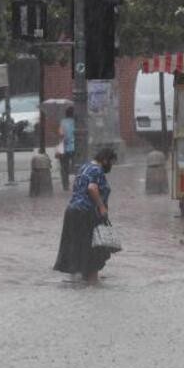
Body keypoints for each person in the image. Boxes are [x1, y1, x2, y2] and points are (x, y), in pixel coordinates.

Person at [54, 147, 118, 284]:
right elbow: (92, 188)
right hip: (86, 213)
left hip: (72, 211)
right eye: (111, 163)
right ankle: (92, 284)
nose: (111, 166)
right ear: (105, 160)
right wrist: (101, 207)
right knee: (93, 250)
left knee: (76, 248)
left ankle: (78, 285)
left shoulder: (84, 167)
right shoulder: (97, 170)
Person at [56, 106, 76, 191]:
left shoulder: (62, 122)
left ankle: (65, 185)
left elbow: (60, 135)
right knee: (78, 166)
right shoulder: (77, 122)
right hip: (76, 147)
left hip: (65, 148)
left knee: (64, 167)